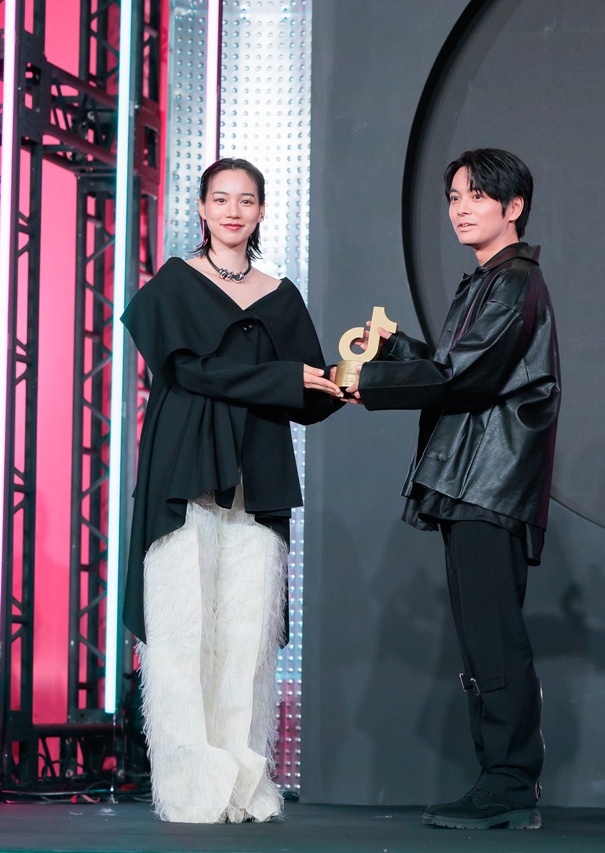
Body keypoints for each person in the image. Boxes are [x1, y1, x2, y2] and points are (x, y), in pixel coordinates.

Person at [121, 157, 344, 823]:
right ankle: (190, 786)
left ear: (262, 211)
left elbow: (309, 390)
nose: (233, 211)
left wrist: (351, 376)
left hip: (258, 472)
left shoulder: (281, 295)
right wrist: (285, 379)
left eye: (246, 200)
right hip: (184, 466)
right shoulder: (174, 284)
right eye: (220, 199)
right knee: (181, 628)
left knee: (247, 635)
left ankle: (243, 783)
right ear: (201, 207)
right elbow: (191, 371)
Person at [348, 148, 560, 830]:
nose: (461, 209)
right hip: (472, 480)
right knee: (482, 637)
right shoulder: (489, 281)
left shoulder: (515, 283)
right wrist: (394, 352)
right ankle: (500, 781)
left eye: (477, 196)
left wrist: (365, 381)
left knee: (493, 636)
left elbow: (465, 377)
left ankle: (509, 783)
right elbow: (455, 367)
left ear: (514, 207)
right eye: (454, 197)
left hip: (488, 482)